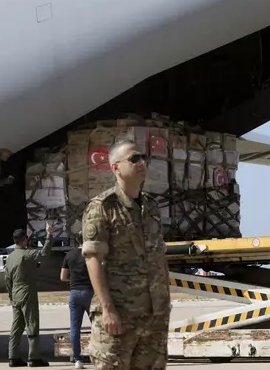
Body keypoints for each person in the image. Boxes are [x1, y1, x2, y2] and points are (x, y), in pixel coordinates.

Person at [81, 139, 171, 370]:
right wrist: (107, 309)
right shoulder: (102, 207)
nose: (141, 162)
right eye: (134, 159)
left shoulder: (151, 207)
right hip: (119, 317)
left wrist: (164, 305)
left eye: (143, 158)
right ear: (115, 167)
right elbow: (93, 259)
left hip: (154, 317)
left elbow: (158, 257)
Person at [5, 224, 54, 367]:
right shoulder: (27, 254)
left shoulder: (10, 258)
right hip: (27, 292)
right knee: (31, 323)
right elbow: (44, 254)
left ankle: (12, 356)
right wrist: (49, 235)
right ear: (24, 240)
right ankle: (34, 357)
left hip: (15, 294)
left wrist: (11, 296)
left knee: (16, 326)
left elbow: (7, 279)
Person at [61, 236, 94, 369]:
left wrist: (73, 278)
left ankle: (77, 359)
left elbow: (63, 277)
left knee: (75, 328)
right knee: (97, 326)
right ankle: (98, 354)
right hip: (89, 292)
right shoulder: (91, 254)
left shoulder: (69, 255)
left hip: (74, 292)